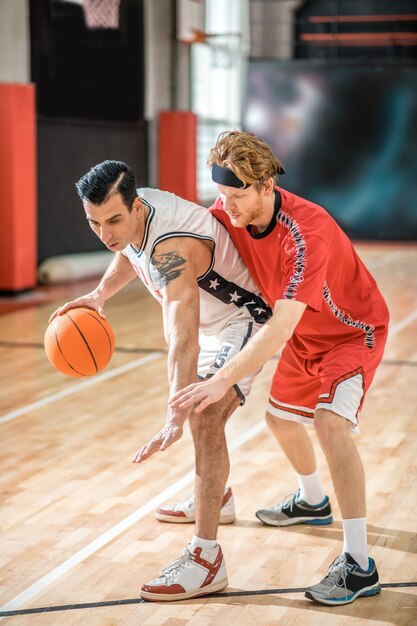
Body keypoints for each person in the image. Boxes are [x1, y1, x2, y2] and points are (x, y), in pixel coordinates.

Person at [169, 131, 390, 606]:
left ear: (267, 184)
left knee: (330, 424)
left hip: (352, 332)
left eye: (238, 194)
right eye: (222, 194)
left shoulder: (307, 230)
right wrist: (101, 293)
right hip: (308, 333)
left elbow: (281, 324)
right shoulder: (226, 212)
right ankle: (312, 502)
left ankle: (359, 566)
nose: (227, 206)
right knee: (280, 418)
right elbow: (162, 240)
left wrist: (223, 378)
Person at [49, 159, 273, 602]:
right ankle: (218, 497)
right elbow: (126, 251)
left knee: (202, 417)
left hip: (242, 321)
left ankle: (207, 559)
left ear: (135, 207)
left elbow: (182, 336)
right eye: (94, 223)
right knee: (197, 414)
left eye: (114, 220)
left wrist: (175, 414)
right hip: (211, 324)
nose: (106, 233)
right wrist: (99, 295)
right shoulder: (136, 210)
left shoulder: (172, 247)